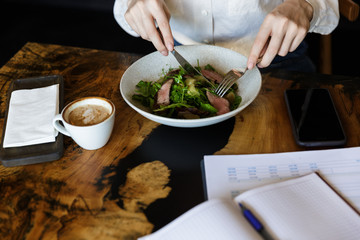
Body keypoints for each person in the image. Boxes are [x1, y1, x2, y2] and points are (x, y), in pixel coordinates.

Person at [113, 0, 339, 72]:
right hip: (175, 60)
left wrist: (305, 5)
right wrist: (133, 4)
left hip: (276, 59)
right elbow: (124, 6)